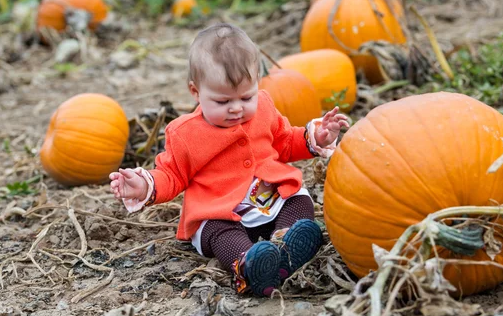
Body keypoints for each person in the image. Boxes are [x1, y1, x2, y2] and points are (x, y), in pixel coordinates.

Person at [109, 23, 349, 297]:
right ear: (196, 92)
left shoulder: (265, 107)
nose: (236, 108)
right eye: (223, 102)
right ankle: (248, 264)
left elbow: (284, 142)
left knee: (297, 198)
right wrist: (143, 185)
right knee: (218, 232)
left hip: (267, 197)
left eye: (246, 97)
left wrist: (316, 135)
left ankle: (285, 243)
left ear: (257, 82)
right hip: (220, 209)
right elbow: (172, 175)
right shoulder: (184, 133)